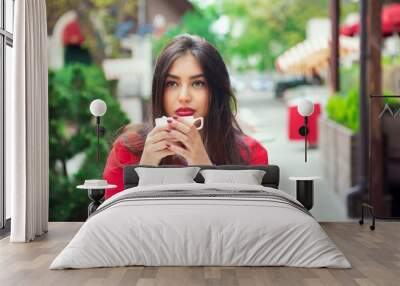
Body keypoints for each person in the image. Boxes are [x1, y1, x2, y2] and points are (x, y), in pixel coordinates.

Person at [103, 34, 268, 199]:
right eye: (172, 84)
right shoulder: (126, 151)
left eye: (197, 83)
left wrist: (204, 167)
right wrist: (144, 171)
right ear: (159, 91)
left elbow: (249, 221)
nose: (184, 96)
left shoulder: (252, 154)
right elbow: (111, 221)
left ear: (215, 91)